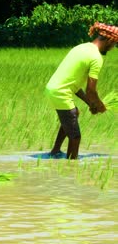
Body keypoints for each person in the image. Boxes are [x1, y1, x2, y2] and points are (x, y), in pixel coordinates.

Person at [45, 22, 117, 160]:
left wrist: (90, 104)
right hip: (61, 93)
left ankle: (55, 151)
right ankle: (71, 168)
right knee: (76, 137)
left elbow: (74, 84)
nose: (114, 48)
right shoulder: (96, 57)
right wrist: (100, 105)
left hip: (53, 88)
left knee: (73, 114)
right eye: (115, 44)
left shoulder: (82, 47)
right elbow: (91, 90)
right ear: (109, 40)